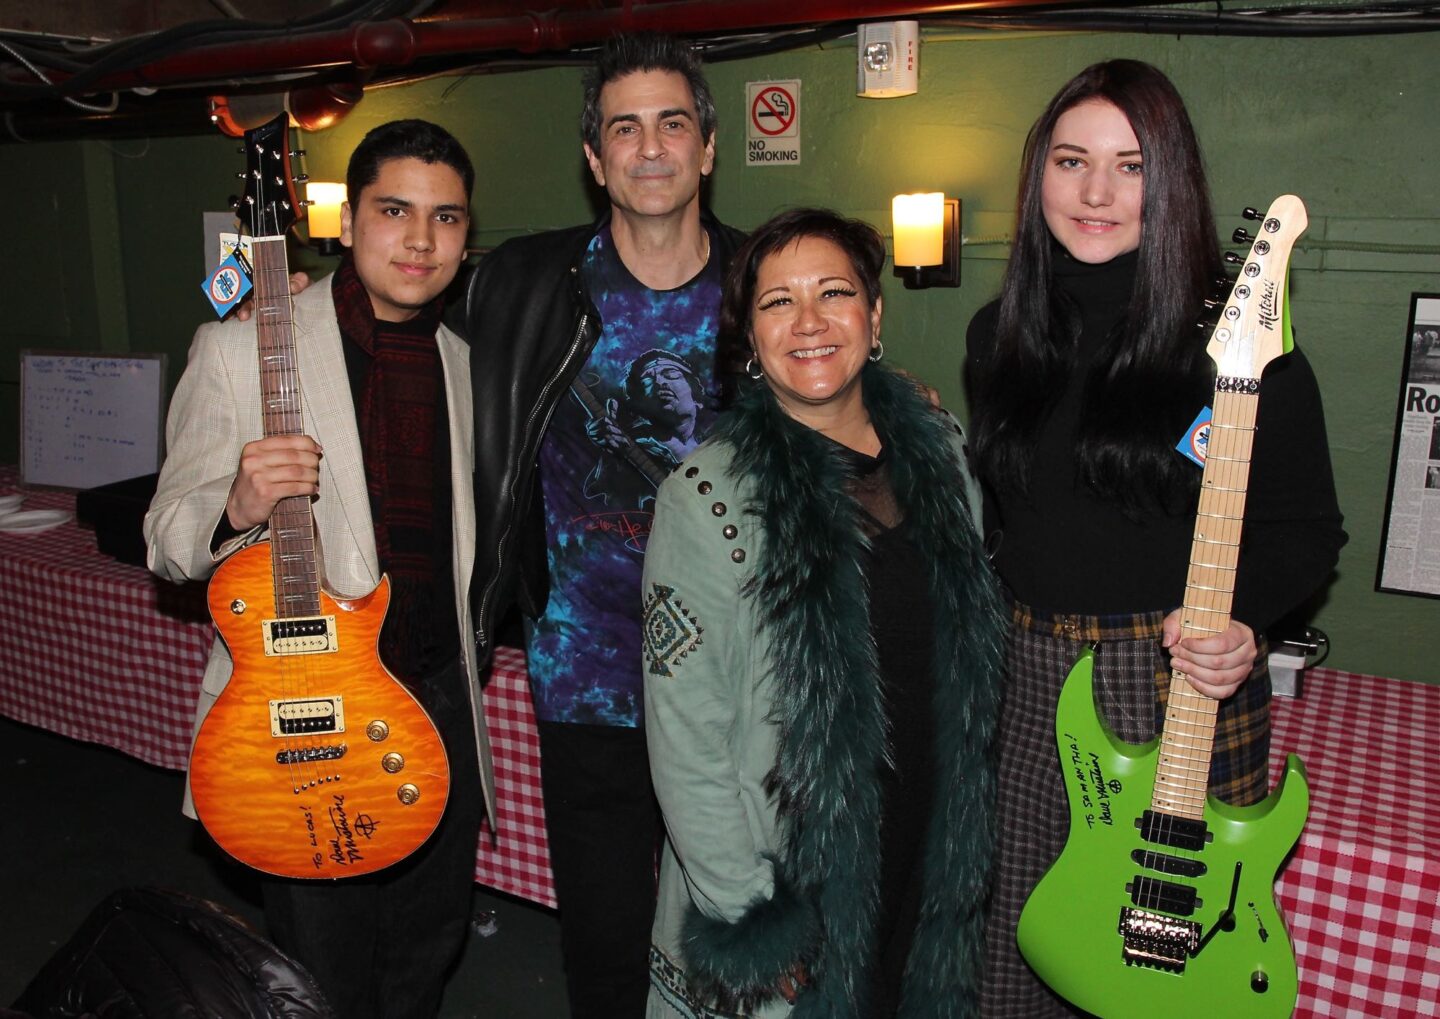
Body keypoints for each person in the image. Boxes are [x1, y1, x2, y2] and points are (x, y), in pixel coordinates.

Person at [962, 60, 1347, 1017]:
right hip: (1024, 672)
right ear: (1037, 174)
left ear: (1171, 182)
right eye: (1070, 160)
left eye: (1130, 166)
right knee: (1015, 940)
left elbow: (1306, 529)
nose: (1095, 192)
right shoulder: (997, 333)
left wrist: (1245, 623)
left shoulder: (1243, 346)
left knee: (1161, 969)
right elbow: (1009, 516)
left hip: (1173, 679)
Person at [144, 119, 494, 1019]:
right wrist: (240, 503)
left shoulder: (464, 362)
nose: (420, 239)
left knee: (428, 946)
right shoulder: (242, 347)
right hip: (306, 711)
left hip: (438, 702)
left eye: (445, 218)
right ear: (346, 222)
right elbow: (168, 540)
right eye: (394, 210)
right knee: (324, 968)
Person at [642, 208, 1006, 1018]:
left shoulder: (942, 450)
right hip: (790, 876)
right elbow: (684, 738)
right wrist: (750, 914)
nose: (808, 321)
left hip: (923, 846)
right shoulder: (707, 500)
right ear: (748, 339)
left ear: (873, 318)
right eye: (777, 302)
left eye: (833, 292)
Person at [455, 32, 748, 1016]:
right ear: (594, 159)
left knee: (751, 921)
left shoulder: (767, 283)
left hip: (744, 673)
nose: (652, 146)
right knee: (608, 938)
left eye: (673, 122)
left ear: (709, 146)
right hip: (586, 671)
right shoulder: (524, 285)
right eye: (625, 127)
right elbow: (395, 304)